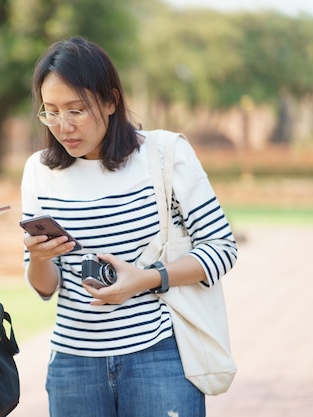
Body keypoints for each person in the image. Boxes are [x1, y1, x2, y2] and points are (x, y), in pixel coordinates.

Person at [21, 36, 238, 417]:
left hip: (158, 357)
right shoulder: (39, 170)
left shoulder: (163, 154)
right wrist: (39, 258)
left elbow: (222, 248)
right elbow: (45, 287)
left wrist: (146, 278)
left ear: (110, 101)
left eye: (76, 110)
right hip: (73, 366)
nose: (63, 126)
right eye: (50, 111)